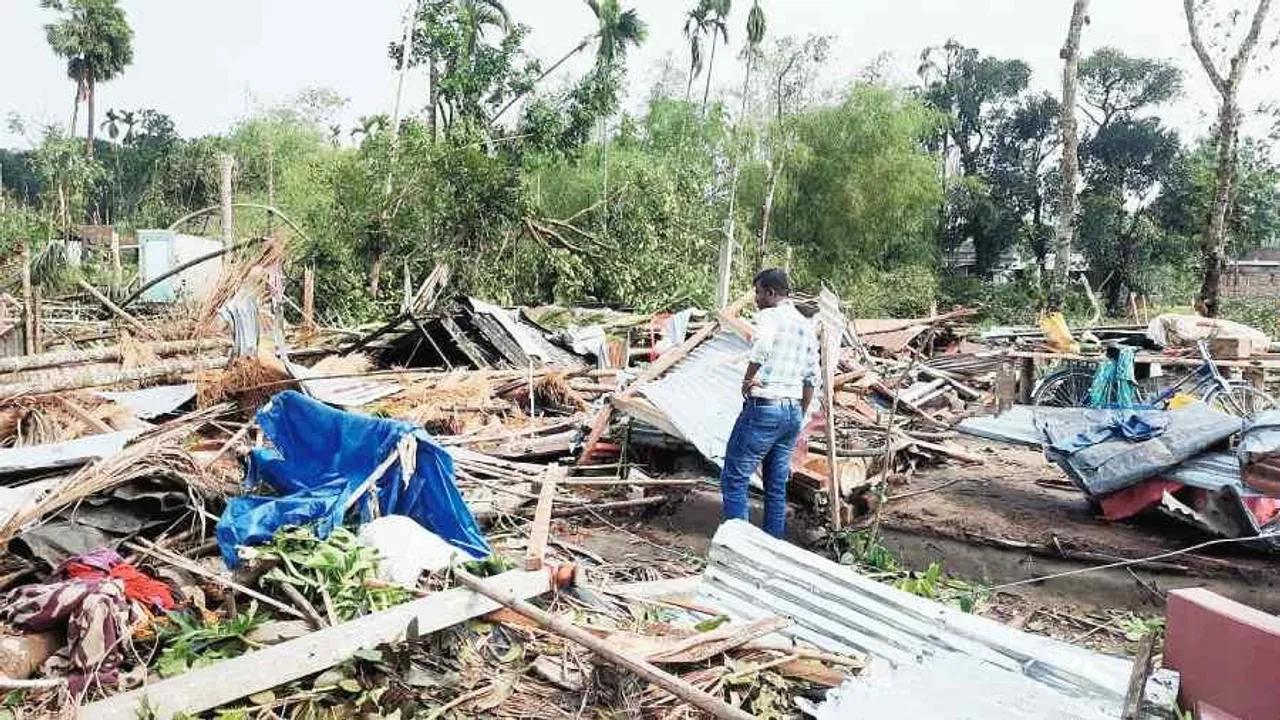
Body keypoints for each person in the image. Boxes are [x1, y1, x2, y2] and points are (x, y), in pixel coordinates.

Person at [720, 268, 819, 539]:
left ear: (771, 293)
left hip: (765, 407)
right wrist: (799, 413)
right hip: (791, 410)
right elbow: (812, 377)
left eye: (758, 292)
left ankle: (738, 545)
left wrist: (748, 379)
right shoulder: (805, 326)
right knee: (776, 486)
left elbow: (761, 347)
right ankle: (772, 547)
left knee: (735, 477)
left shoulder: (770, 317)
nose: (756, 299)